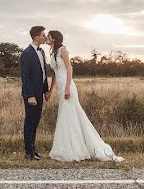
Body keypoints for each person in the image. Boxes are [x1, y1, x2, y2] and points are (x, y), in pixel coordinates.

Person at [45, 30, 125, 163]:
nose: (46, 38)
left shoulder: (63, 50)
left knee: (69, 116)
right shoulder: (53, 52)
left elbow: (69, 69)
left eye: (48, 36)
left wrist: (67, 87)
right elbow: (55, 73)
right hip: (59, 88)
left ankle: (74, 149)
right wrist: (51, 90)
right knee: (65, 116)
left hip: (67, 87)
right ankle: (65, 147)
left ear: (54, 39)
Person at [19, 25, 52, 160]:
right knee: (30, 122)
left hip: (40, 92)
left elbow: (43, 73)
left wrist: (46, 91)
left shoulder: (42, 52)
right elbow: (25, 77)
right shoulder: (26, 53)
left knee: (36, 121)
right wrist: (30, 95)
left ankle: (33, 149)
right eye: (43, 35)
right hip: (31, 94)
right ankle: (28, 152)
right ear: (37, 37)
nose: (45, 37)